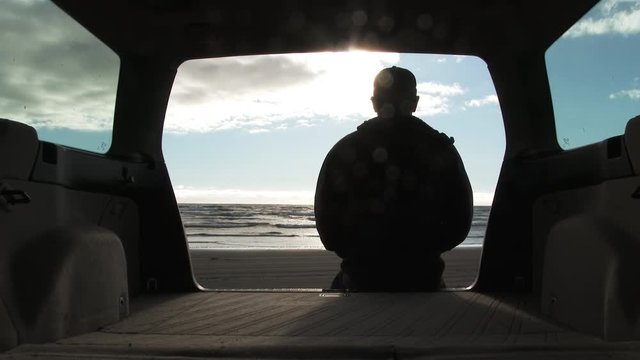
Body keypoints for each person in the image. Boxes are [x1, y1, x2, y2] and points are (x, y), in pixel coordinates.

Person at [314, 66, 473, 291]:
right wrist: (421, 250)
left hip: (360, 277)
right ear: (415, 102)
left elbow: (328, 231)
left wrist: (363, 250)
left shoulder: (343, 149)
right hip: (424, 278)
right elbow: (460, 224)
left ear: (374, 101)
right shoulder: (442, 150)